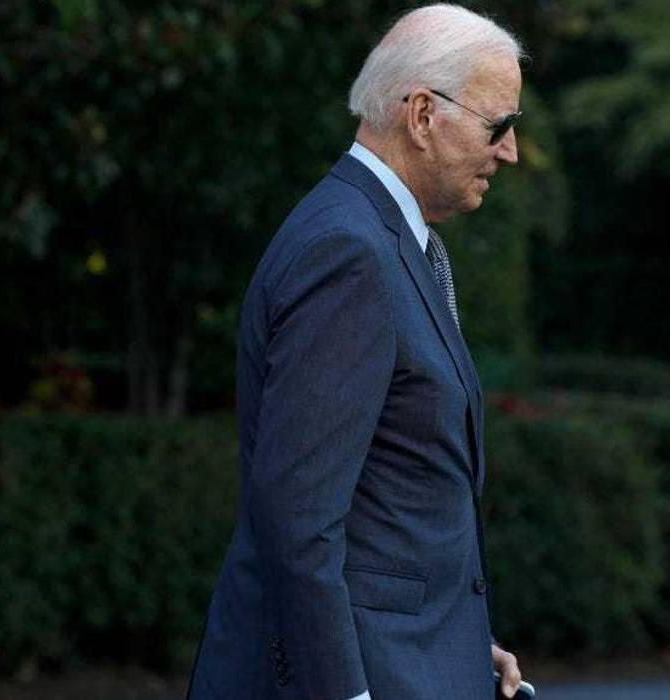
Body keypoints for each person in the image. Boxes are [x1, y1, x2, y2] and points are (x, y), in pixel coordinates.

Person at [186, 4, 526, 699]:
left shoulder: (377, 236)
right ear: (423, 115)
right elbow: (298, 519)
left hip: (404, 663)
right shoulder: (350, 251)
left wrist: (459, 645)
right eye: (498, 126)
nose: (510, 151)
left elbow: (385, 506)